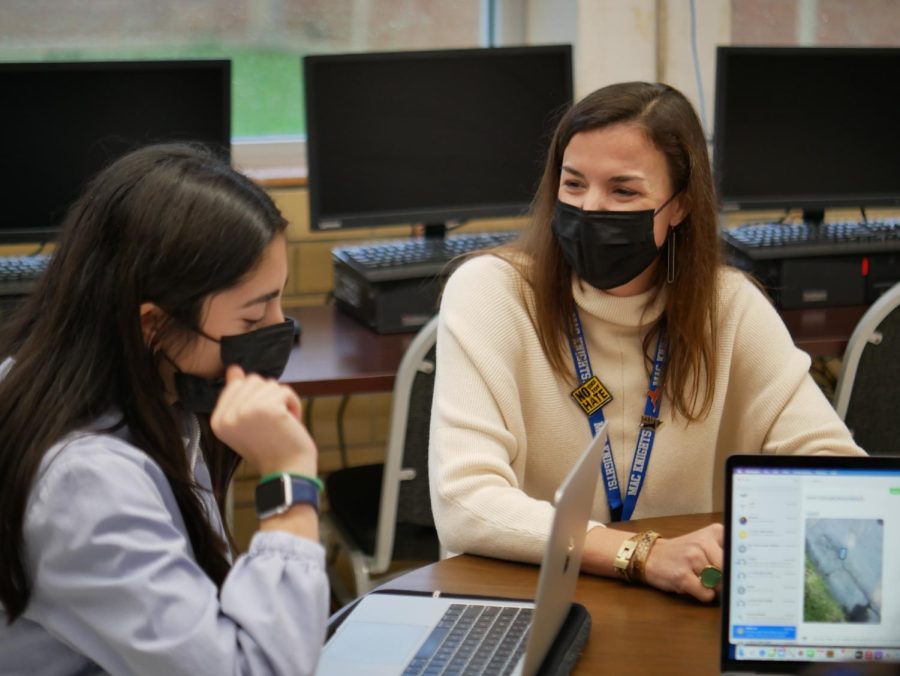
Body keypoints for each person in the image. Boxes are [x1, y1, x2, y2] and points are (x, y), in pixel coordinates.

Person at [428, 81, 865, 603]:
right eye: (573, 184)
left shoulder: (728, 306)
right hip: (530, 595)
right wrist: (640, 554)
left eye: (623, 190)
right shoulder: (491, 293)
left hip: (680, 600)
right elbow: (465, 502)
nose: (590, 208)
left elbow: (837, 475)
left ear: (678, 206)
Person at [0, 144, 327, 674]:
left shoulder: (149, 398)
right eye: (251, 318)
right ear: (151, 324)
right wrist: (290, 484)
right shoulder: (84, 483)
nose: (277, 327)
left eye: (279, 300)